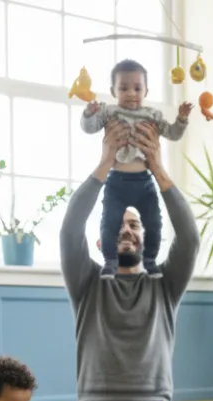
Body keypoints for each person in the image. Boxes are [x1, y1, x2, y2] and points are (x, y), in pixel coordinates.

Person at [59, 121, 213, 401]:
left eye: (135, 226)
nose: (127, 230)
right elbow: (69, 230)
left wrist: (157, 168)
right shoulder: (87, 281)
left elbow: (190, 238)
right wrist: (104, 164)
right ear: (101, 242)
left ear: (147, 239)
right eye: (118, 224)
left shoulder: (165, 284)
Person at [80, 59, 192, 279]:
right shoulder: (109, 112)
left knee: (154, 222)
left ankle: (150, 261)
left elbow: (173, 134)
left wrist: (182, 118)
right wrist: (88, 114)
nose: (131, 93)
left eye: (137, 88)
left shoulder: (152, 115)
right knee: (109, 221)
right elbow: (89, 129)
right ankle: (110, 263)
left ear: (146, 90)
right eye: (123, 88)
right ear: (113, 91)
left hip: (144, 180)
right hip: (116, 180)